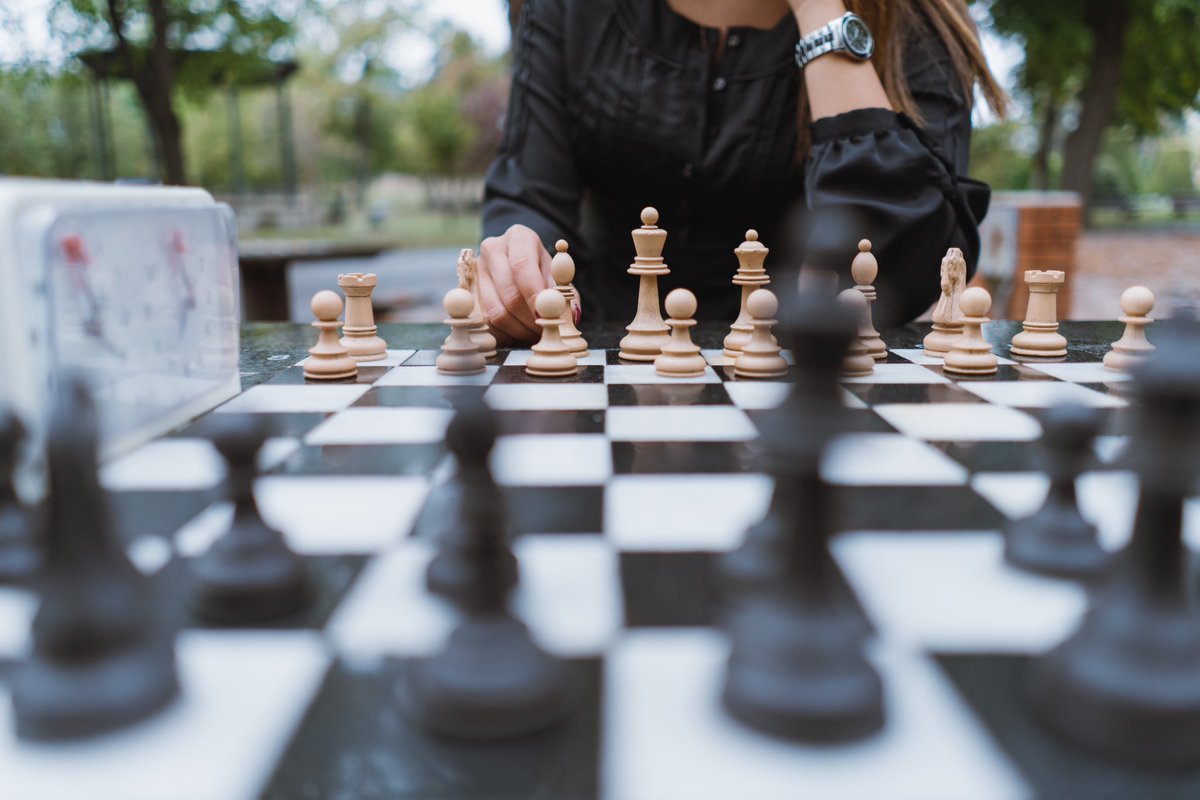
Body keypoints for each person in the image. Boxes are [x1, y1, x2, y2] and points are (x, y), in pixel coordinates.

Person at [477, 0, 1006, 344]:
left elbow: (899, 278)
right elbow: (531, 197)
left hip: (805, 374)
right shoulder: (567, 11)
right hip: (590, 356)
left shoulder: (918, 18)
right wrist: (518, 260)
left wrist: (818, 8)